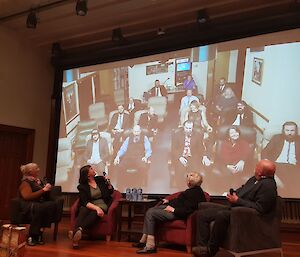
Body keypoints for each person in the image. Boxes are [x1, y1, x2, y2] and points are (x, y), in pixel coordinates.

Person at [192, 159, 277, 257]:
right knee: (202, 214)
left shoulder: (268, 186)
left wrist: (238, 201)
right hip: (235, 209)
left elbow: (260, 208)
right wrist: (233, 195)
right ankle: (202, 248)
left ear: (260, 171)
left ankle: (211, 250)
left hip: (245, 215)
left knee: (222, 215)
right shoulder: (254, 179)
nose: (255, 167)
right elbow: (243, 189)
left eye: (257, 166)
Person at [133, 172, 207, 254]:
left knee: (151, 213)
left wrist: (173, 210)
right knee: (153, 209)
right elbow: (179, 201)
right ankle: (143, 240)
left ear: (189, 182)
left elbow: (189, 210)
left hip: (178, 214)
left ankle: (150, 245)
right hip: (177, 210)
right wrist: (168, 201)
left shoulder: (194, 193)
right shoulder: (194, 191)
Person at [68, 165, 114, 249]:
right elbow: (85, 202)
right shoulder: (82, 186)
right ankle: (76, 237)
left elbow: (110, 192)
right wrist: (96, 208)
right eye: (91, 169)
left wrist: (109, 184)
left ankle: (77, 231)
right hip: (90, 204)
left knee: (94, 213)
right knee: (83, 209)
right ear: (88, 175)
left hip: (102, 203)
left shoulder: (100, 179)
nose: (94, 169)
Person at [18, 163, 56, 246]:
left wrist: (47, 189)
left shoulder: (37, 181)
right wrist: (43, 190)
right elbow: (27, 196)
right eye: (36, 168)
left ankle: (40, 231)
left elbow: (44, 195)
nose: (38, 169)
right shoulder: (25, 182)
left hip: (38, 203)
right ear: (31, 171)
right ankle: (33, 234)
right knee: (41, 207)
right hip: (28, 204)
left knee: (51, 205)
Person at [171, 120, 212, 188]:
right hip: (181, 157)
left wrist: (205, 156)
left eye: (190, 128)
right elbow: (173, 149)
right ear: (183, 127)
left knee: (195, 174)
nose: (188, 130)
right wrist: (180, 157)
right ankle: (180, 189)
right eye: (186, 128)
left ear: (192, 128)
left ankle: (193, 190)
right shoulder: (176, 134)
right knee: (179, 171)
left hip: (193, 157)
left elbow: (201, 148)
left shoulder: (198, 135)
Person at [261, 121, 300, 193]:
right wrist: (266, 160)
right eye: (287, 130)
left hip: (294, 166)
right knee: (285, 169)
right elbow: (265, 151)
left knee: (294, 175)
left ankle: (288, 193)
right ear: (283, 131)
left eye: (292, 130)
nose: (289, 133)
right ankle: (290, 194)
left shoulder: (299, 140)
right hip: (278, 164)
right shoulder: (276, 138)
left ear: (296, 131)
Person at [113, 125, 152, 190]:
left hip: (139, 158)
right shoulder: (128, 138)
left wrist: (146, 157)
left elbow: (149, 150)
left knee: (142, 168)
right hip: (128, 157)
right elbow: (123, 149)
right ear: (133, 132)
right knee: (120, 167)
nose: (136, 133)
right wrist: (117, 156)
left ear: (140, 131)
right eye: (135, 131)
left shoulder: (144, 138)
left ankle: (137, 186)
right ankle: (120, 187)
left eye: (137, 131)